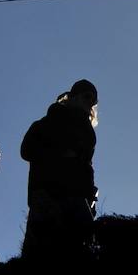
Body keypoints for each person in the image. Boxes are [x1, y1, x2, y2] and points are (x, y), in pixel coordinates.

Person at [20, 79, 99, 259]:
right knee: (38, 254)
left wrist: (90, 195)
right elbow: (27, 150)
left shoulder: (88, 135)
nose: (90, 103)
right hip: (46, 195)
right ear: (73, 97)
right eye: (87, 97)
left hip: (77, 200)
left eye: (93, 101)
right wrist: (60, 154)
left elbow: (87, 167)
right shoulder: (46, 124)